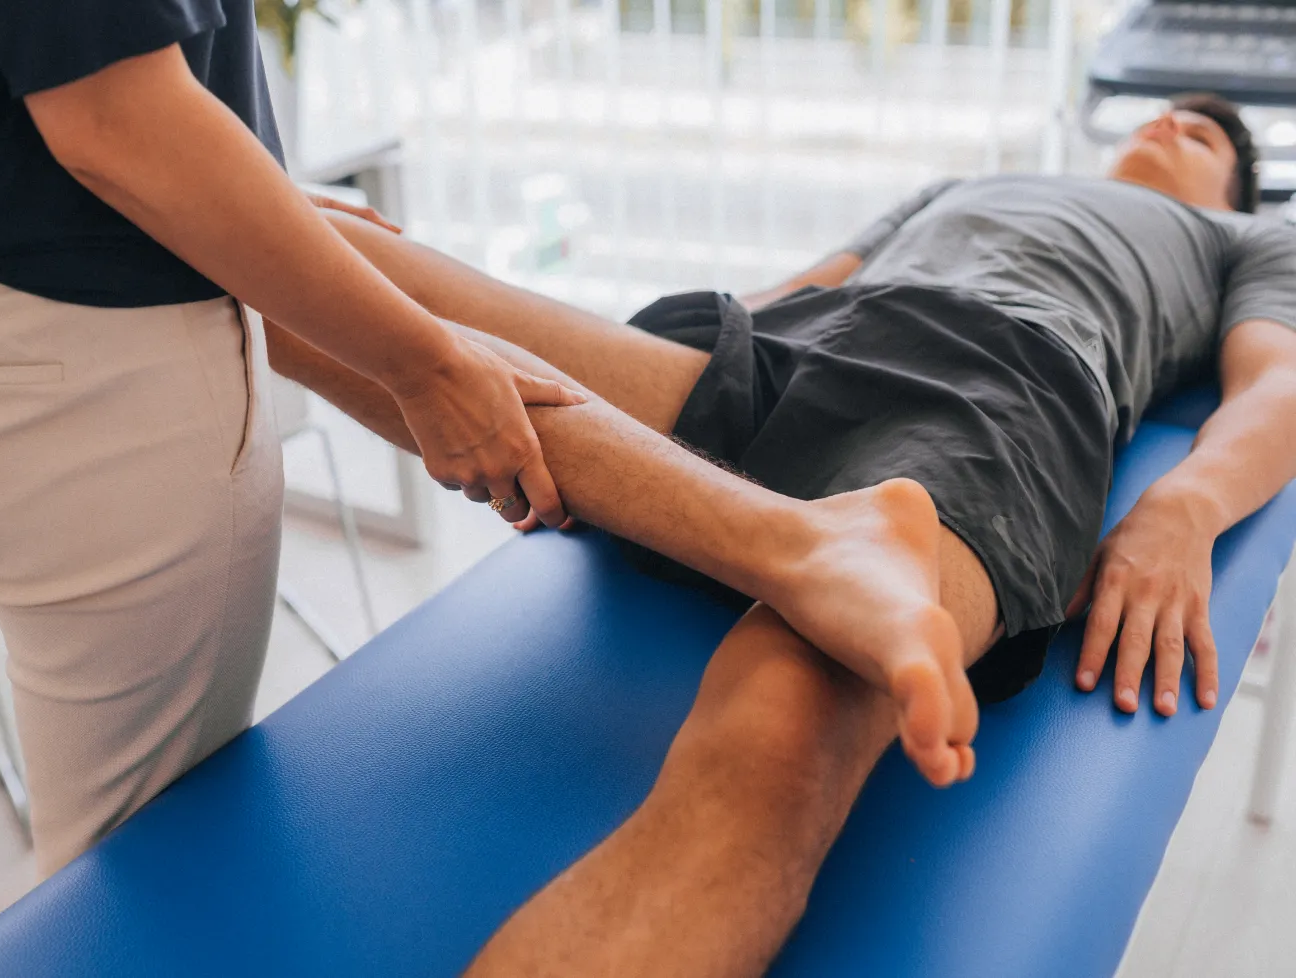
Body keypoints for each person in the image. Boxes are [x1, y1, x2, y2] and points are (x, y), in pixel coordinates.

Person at [260, 93, 1296, 976]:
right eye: (1165, 112)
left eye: (1201, 136)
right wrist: (611, 383)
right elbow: (805, 284)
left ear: (1231, 192)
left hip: (990, 389)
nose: (1167, 121)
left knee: (774, 738)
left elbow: (1274, 385)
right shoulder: (968, 183)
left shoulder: (1242, 241)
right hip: (789, 348)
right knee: (302, 264)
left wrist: (1181, 508)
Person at [0, 4, 584, 875]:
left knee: (136, 850)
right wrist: (432, 372)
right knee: (142, 865)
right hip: (76, 347)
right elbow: (112, 118)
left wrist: (245, 192)